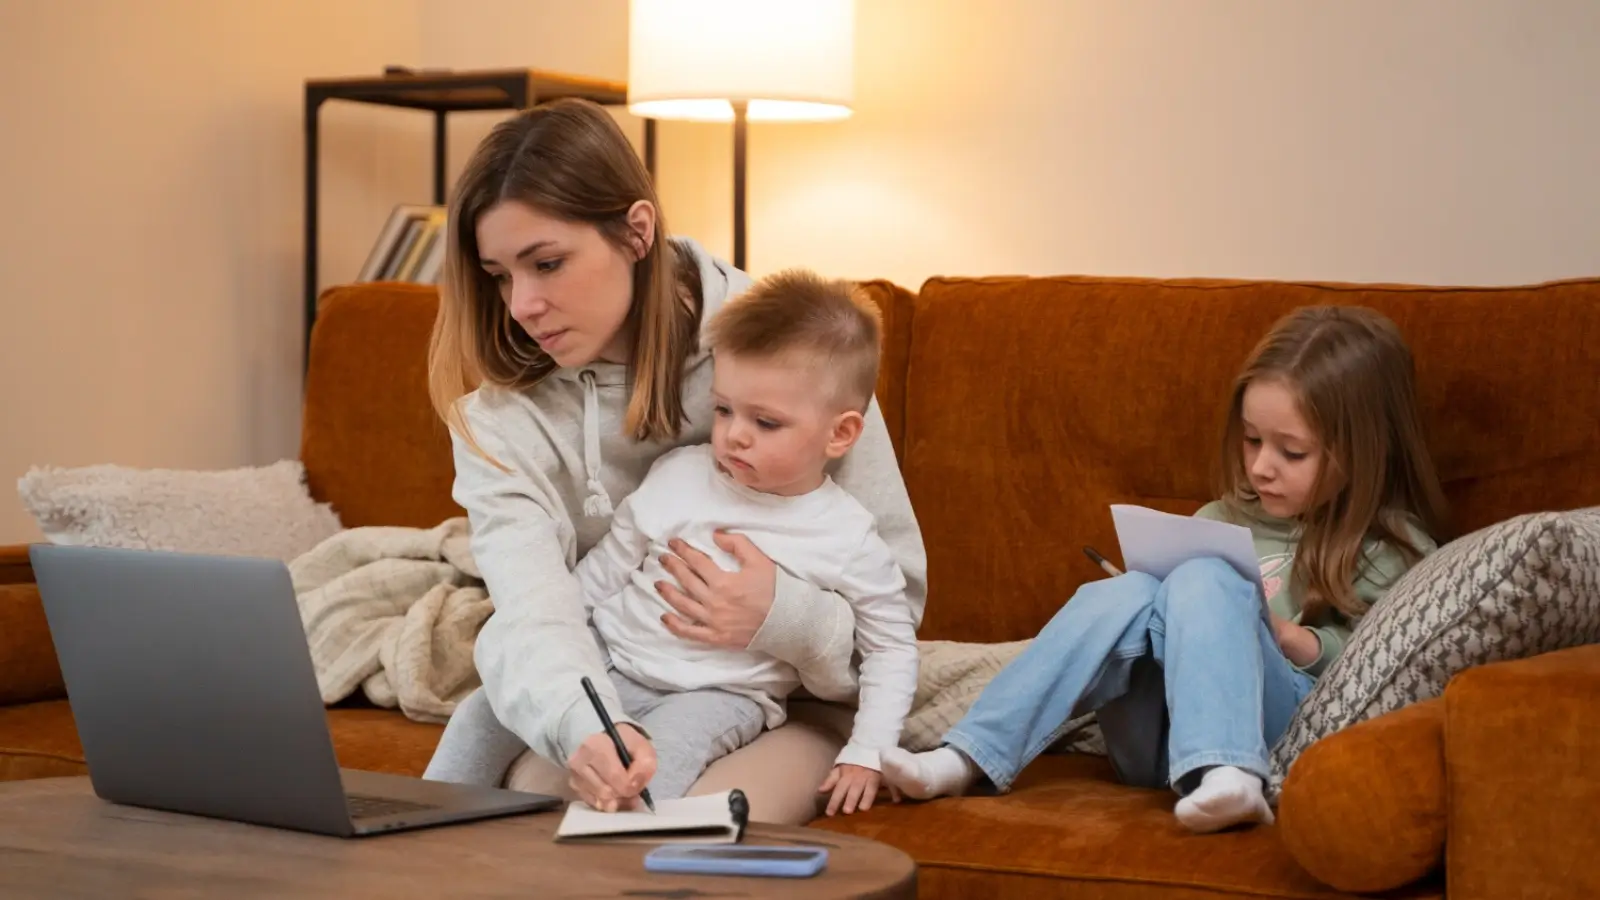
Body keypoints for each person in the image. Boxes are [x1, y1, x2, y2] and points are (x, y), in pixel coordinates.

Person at [419, 98, 926, 824]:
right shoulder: (504, 411)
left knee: (674, 818)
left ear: (636, 231)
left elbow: (895, 608)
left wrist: (778, 614)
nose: (522, 305)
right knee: (540, 795)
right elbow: (536, 609)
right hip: (609, 674)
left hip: (787, 698)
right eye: (499, 275)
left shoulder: (787, 352)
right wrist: (580, 716)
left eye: (548, 264)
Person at [880, 305, 1448, 833]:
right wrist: (1152, 605)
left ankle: (1234, 775)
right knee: (1129, 591)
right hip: (1160, 744)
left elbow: (1392, 677)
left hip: (1277, 738)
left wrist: (1289, 638)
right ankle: (967, 755)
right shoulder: (1221, 517)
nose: (1260, 467)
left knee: (1203, 577)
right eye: (1251, 440)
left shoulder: (1391, 548)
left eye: (1291, 452)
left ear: (1365, 449)